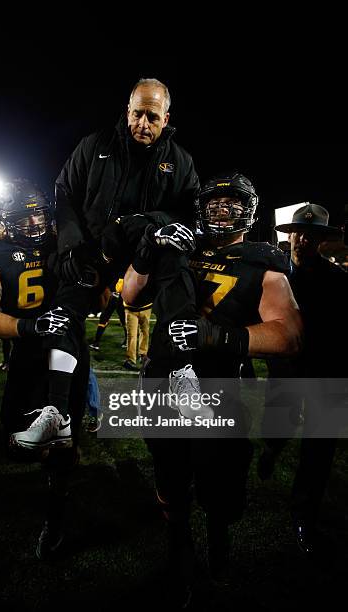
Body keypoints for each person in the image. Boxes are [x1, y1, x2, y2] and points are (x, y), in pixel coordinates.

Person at [122, 172, 303, 606]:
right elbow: (130, 296)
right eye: (215, 202)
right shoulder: (183, 243)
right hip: (164, 382)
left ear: (249, 210)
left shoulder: (263, 260)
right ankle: (180, 544)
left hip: (219, 386)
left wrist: (216, 337)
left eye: (233, 203)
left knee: (219, 485)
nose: (222, 210)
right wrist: (149, 247)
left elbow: (289, 335)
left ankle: (218, 539)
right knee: (169, 471)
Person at [13, 77, 200, 449]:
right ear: (126, 110)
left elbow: (189, 216)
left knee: (174, 257)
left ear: (166, 118)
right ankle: (58, 413)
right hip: (96, 249)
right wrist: (71, 245)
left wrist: (147, 224)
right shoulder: (94, 145)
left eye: (152, 116)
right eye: (136, 114)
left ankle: (183, 369)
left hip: (147, 253)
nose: (142, 124)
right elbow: (64, 191)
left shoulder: (179, 161)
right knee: (64, 308)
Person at [0, 178, 89, 559]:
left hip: (67, 359)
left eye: (40, 215)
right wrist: (28, 325)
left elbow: (99, 297)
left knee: (62, 449)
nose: (36, 224)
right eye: (25, 216)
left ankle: (56, 511)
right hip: (26, 356)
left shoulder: (64, 243)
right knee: (17, 444)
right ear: (6, 218)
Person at [257, 203, 348, 556]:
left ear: (322, 240)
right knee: (278, 424)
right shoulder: (274, 275)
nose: (302, 239)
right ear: (289, 235)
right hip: (287, 373)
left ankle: (305, 515)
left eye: (311, 234)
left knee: (319, 450)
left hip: (327, 374)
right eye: (297, 232)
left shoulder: (340, 282)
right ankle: (271, 448)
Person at [89, 280, 126, 351]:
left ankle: (96, 343)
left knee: (123, 320)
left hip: (119, 299)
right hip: (114, 298)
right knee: (105, 319)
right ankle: (96, 343)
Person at [122, 292, 152, 371]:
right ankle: (131, 359)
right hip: (131, 308)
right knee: (132, 334)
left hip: (145, 307)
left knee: (145, 332)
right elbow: (119, 288)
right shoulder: (126, 278)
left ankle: (143, 354)